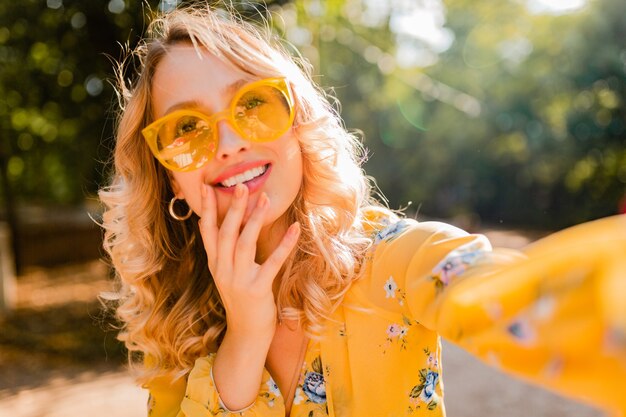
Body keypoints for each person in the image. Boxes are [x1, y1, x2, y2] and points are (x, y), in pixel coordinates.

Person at [98, 4, 626, 417]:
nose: (230, 142)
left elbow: (513, 295)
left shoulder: (397, 259)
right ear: (167, 175)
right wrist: (245, 336)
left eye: (254, 102)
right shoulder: (176, 328)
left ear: (298, 120)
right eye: (186, 128)